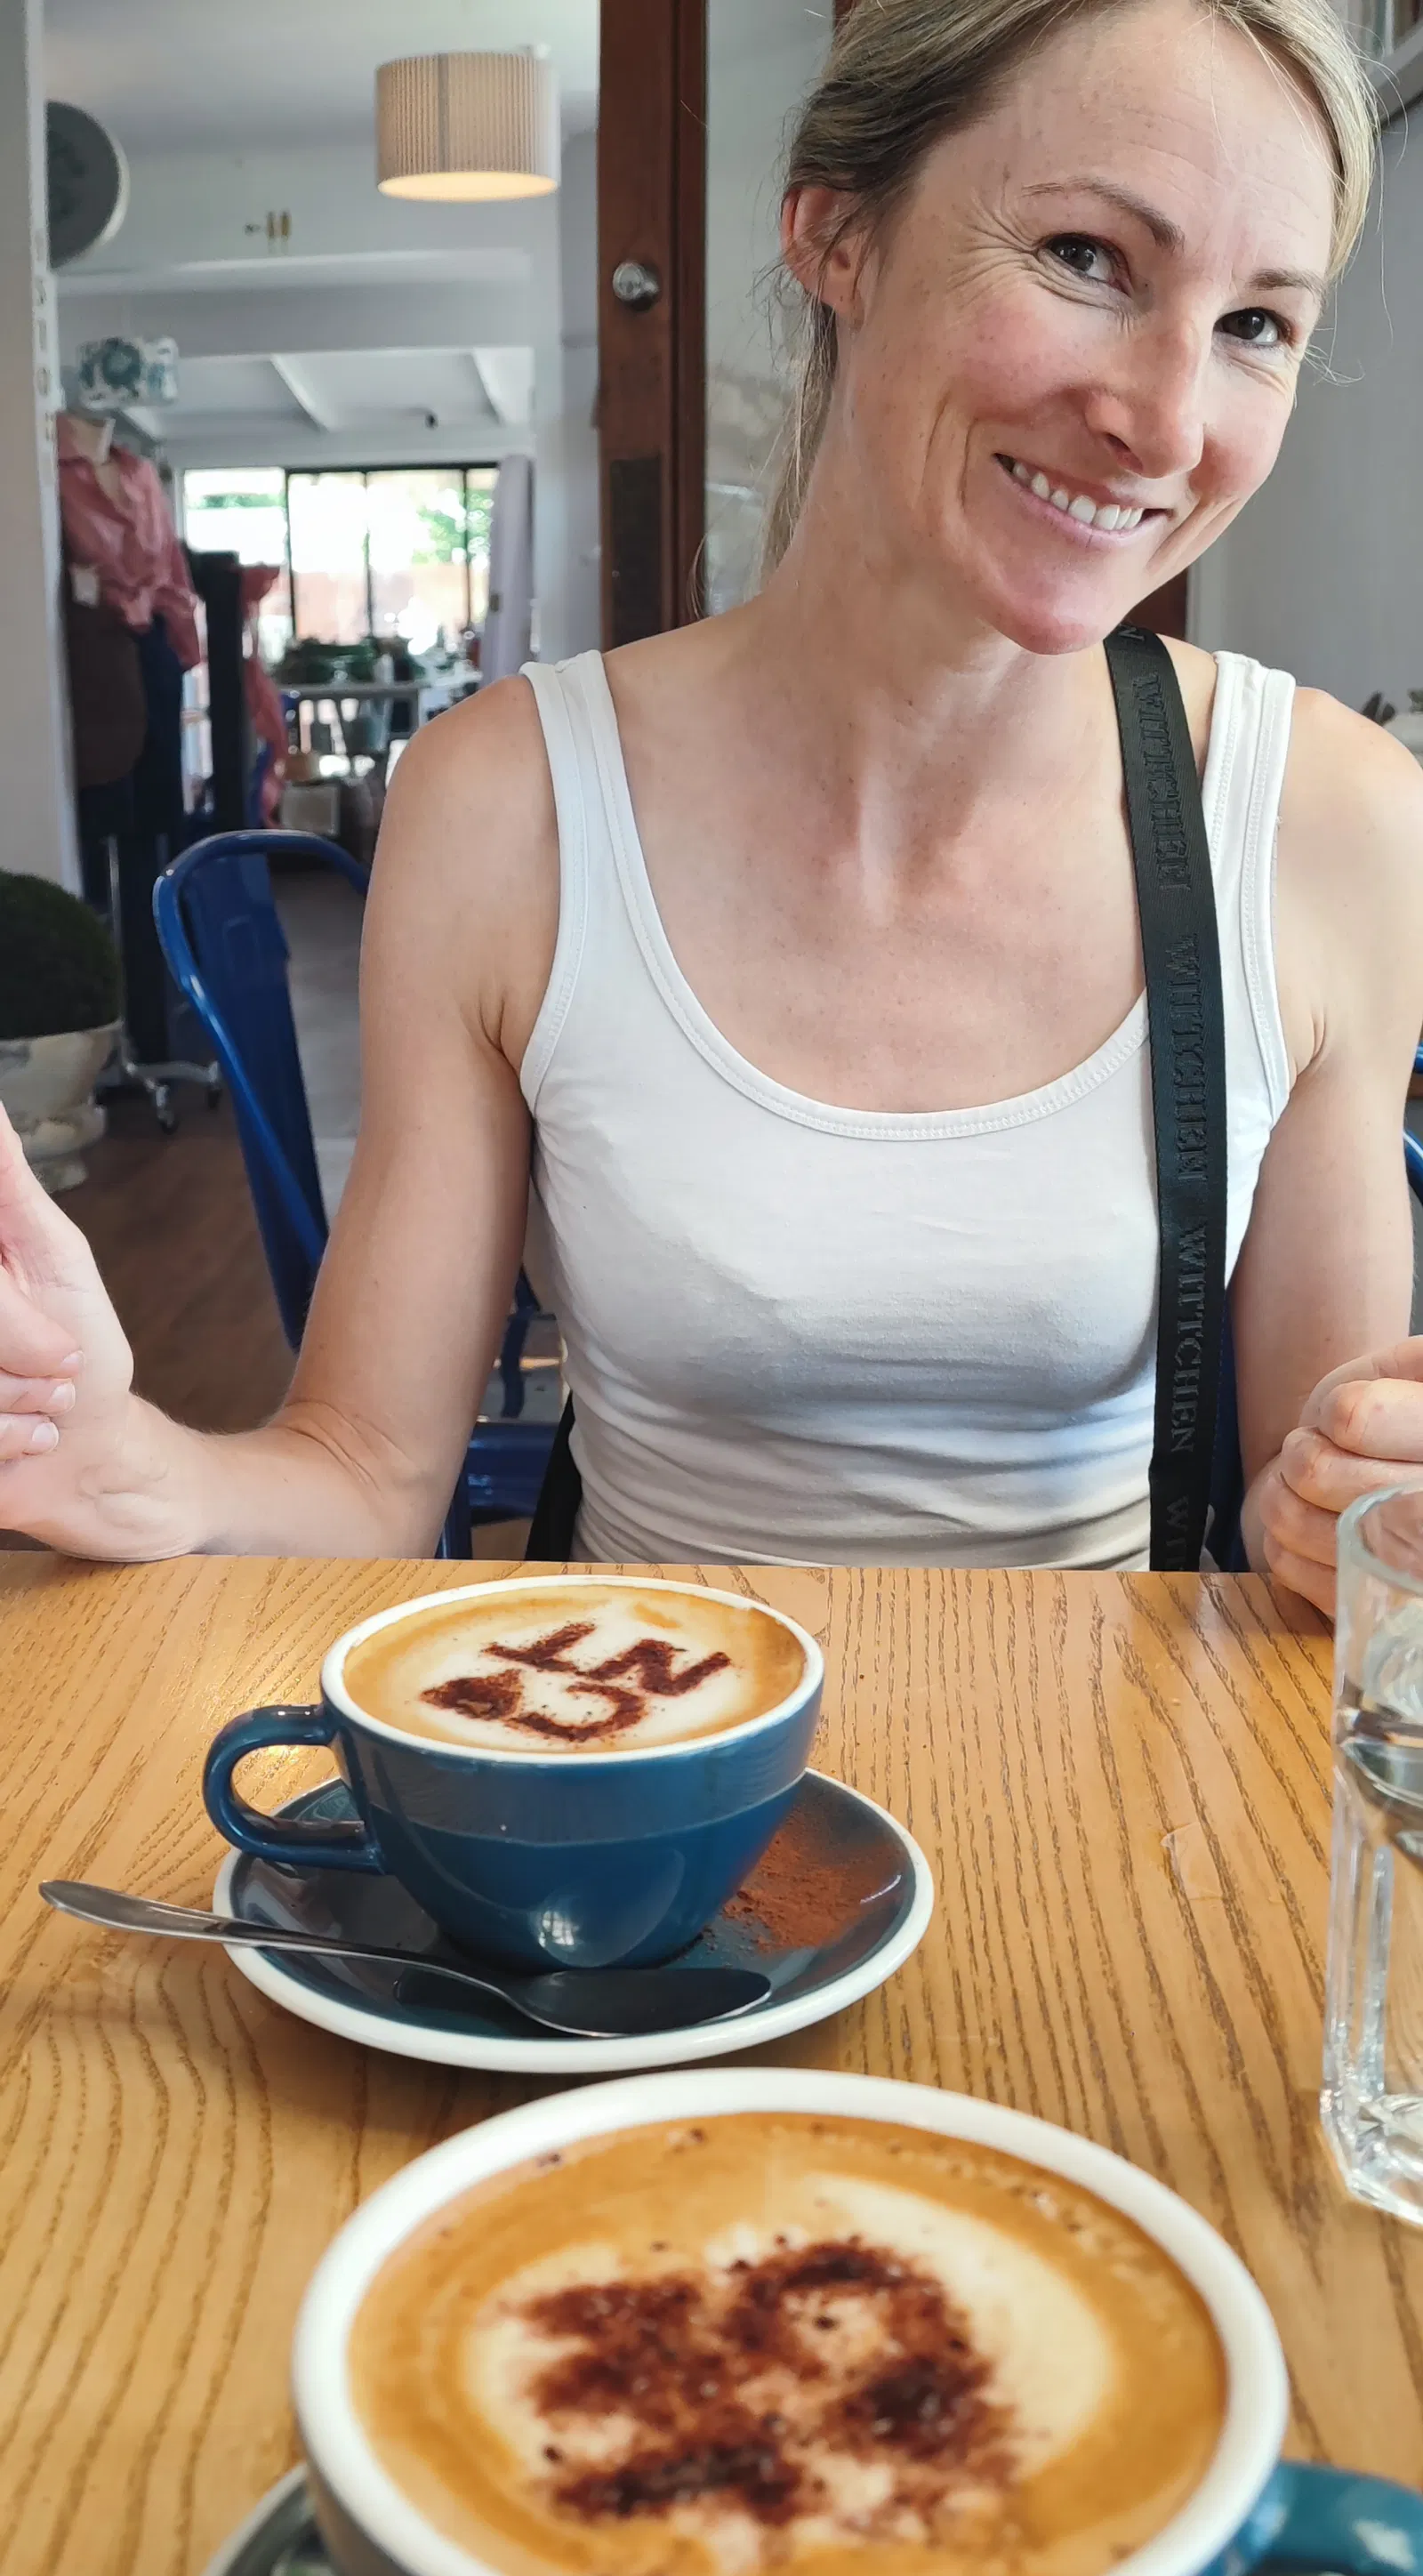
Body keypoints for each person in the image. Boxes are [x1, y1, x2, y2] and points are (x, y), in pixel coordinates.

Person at [4, 0, 1423, 1614]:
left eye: (1257, 324)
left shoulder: (1333, 827)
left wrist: (1366, 1515)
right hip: (630, 1730)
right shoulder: (510, 808)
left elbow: (1308, 1504)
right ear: (837, 235)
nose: (1167, 424)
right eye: (1087, 257)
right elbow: (368, 1471)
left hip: (1115, 1753)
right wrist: (115, 1458)